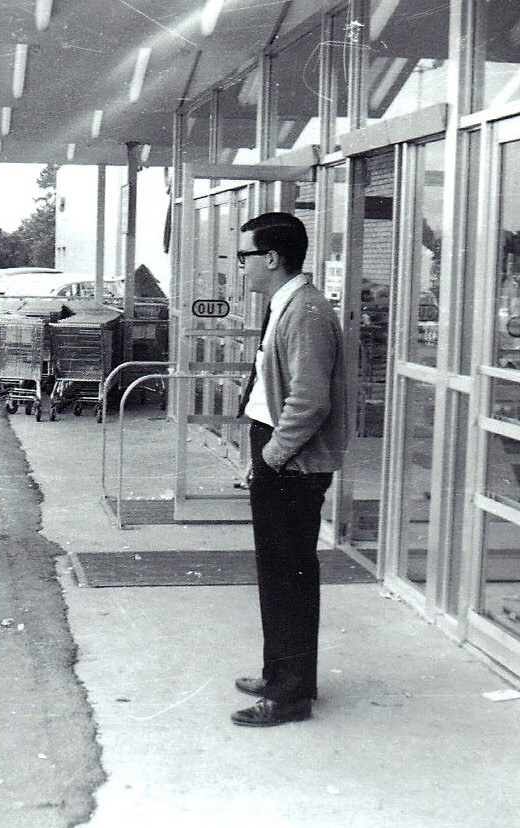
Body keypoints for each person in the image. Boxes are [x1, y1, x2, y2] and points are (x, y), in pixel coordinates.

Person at [232, 212, 348, 727]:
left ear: (272, 259)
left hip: (291, 460)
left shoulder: (305, 312)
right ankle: (282, 675)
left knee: (289, 577)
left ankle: (291, 695)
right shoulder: (289, 304)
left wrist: (272, 456)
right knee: (279, 574)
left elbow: (309, 401)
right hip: (279, 451)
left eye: (244, 257)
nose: (240, 269)